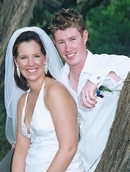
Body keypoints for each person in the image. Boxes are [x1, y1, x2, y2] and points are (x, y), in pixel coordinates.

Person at [49, 8, 130, 171]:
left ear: (84, 36)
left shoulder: (107, 64)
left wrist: (96, 80)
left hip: (114, 163)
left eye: (73, 39)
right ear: (54, 43)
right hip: (76, 166)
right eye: (61, 42)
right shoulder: (56, 83)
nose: (68, 48)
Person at [4, 26, 85, 172]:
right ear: (16, 62)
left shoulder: (55, 92)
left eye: (36, 56)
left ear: (45, 57)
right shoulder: (23, 100)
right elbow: (21, 151)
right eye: (23, 58)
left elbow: (69, 148)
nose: (30, 63)